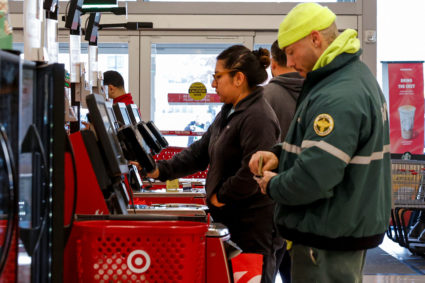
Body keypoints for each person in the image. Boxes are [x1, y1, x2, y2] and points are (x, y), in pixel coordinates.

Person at [249, 3, 391, 283]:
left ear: (315, 39)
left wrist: (272, 184)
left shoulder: (338, 94)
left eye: (291, 51)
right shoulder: (348, 78)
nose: (288, 62)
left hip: (327, 239)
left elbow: (315, 177)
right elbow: (321, 151)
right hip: (338, 230)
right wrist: (280, 155)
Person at [143, 45, 281, 283]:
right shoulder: (229, 111)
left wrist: (221, 196)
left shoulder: (258, 116)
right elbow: (200, 151)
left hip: (253, 229)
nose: (214, 84)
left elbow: (253, 172)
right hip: (232, 222)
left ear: (239, 78)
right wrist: (160, 170)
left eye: (218, 76)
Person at [263, 39, 304, 283]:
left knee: (271, 267)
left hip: (271, 197)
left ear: (273, 63)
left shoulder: (265, 96)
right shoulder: (318, 94)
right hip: (306, 201)